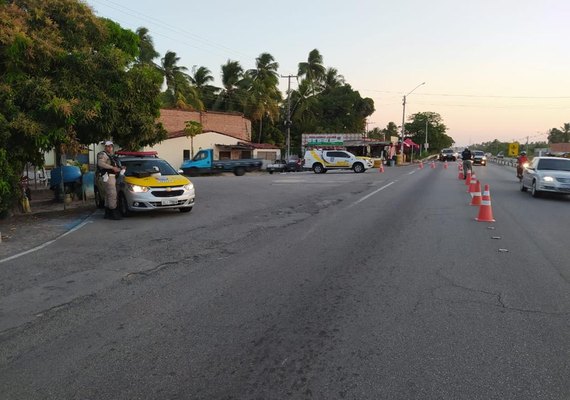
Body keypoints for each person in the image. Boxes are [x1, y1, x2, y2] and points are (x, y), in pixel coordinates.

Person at [97, 141, 123, 220]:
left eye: (111, 146)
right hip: (108, 176)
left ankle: (108, 213)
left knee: (108, 195)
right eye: (107, 146)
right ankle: (114, 213)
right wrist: (112, 168)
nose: (109, 148)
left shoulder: (111, 156)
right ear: (105, 147)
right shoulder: (103, 154)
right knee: (112, 194)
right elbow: (100, 164)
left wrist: (120, 168)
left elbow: (114, 165)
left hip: (112, 176)